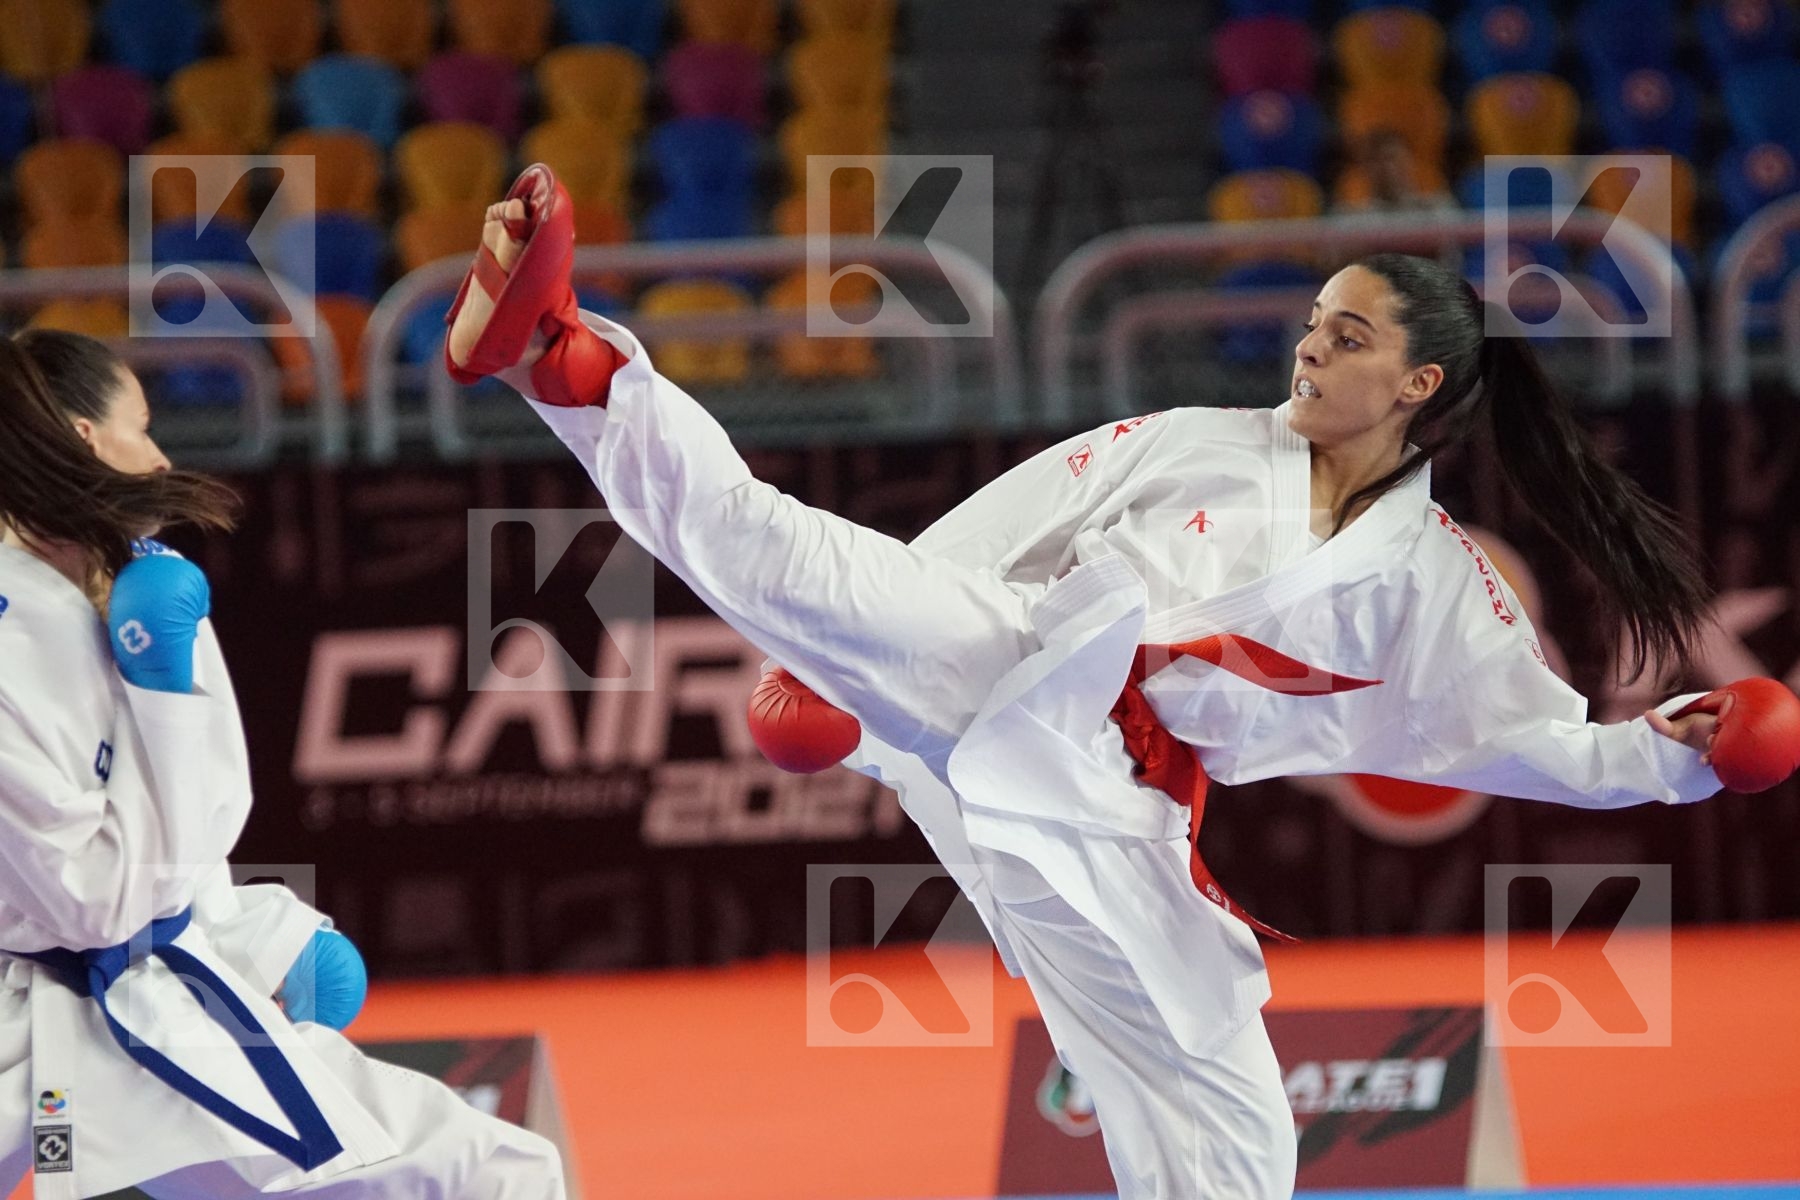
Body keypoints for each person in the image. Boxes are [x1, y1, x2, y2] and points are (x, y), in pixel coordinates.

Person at [447, 167, 1799, 1199]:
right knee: (781, 550)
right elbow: (1007, 527)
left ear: (1419, 384)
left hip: (1114, 812)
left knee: (1227, 1126)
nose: (1311, 346)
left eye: (1349, 335)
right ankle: (564, 356)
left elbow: (1524, 737)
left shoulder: (1439, 584)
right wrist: (851, 694)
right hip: (1000, 666)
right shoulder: (1195, 441)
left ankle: (569, 366)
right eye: (1314, 321)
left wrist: (1670, 754)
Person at [0, 329, 566, 1198]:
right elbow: (91, 901)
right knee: (491, 1175)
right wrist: (160, 692)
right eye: (141, 426)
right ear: (84, 438)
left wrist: (258, 932)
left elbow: (204, 819)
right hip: (85, 1017)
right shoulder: (14, 640)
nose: (159, 455)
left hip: (118, 1009)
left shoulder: (129, 584)